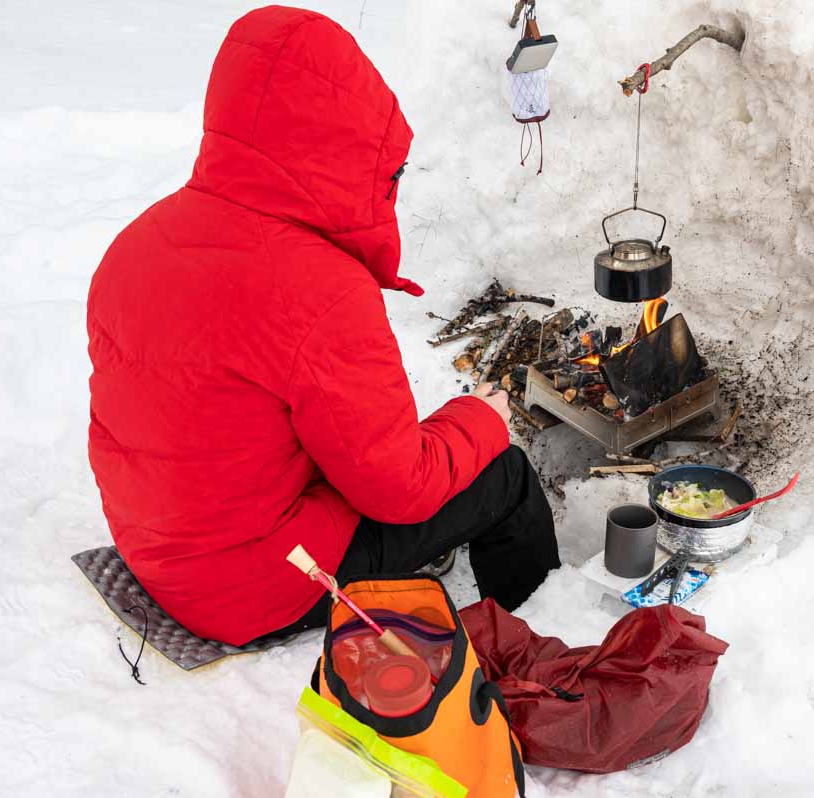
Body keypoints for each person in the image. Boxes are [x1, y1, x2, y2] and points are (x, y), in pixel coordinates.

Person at [86, 6, 560, 647]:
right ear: (348, 148)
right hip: (259, 588)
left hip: (156, 551)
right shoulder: (320, 291)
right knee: (501, 472)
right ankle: (538, 628)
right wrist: (484, 418)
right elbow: (402, 488)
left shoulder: (137, 242)